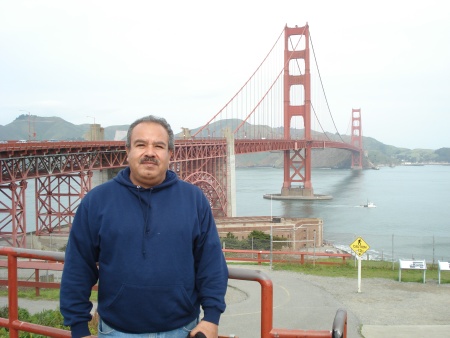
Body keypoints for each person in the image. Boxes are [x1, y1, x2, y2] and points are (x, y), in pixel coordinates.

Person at [60, 115, 229, 338]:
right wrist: (79, 328)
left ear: (170, 154)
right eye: (141, 144)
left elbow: (211, 262)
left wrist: (211, 318)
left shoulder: (194, 199)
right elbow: (78, 266)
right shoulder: (97, 201)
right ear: (127, 151)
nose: (150, 152)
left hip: (183, 330)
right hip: (116, 331)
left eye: (158, 146)